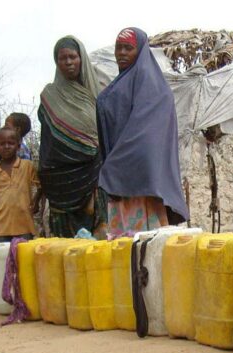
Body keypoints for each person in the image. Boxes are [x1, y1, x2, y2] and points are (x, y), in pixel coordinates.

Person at [96, 27, 189, 236]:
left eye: (128, 48)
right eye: (118, 48)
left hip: (142, 179)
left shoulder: (153, 87)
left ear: (140, 51)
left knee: (144, 246)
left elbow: (145, 135)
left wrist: (116, 165)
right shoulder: (121, 84)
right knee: (124, 249)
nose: (121, 53)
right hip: (120, 178)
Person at [38, 35, 107, 238]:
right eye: (62, 58)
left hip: (91, 174)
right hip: (58, 180)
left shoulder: (97, 94)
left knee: (96, 244)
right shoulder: (49, 96)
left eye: (72, 57)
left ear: (81, 59)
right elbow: (47, 142)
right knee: (64, 247)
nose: (68, 62)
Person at [0, 126, 39, 242]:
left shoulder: (27, 166)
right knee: (2, 257)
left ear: (18, 146)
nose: (6, 147)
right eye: (2, 144)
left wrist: (36, 201)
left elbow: (40, 185)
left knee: (23, 257)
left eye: (11, 143)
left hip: (24, 225)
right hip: (1, 227)